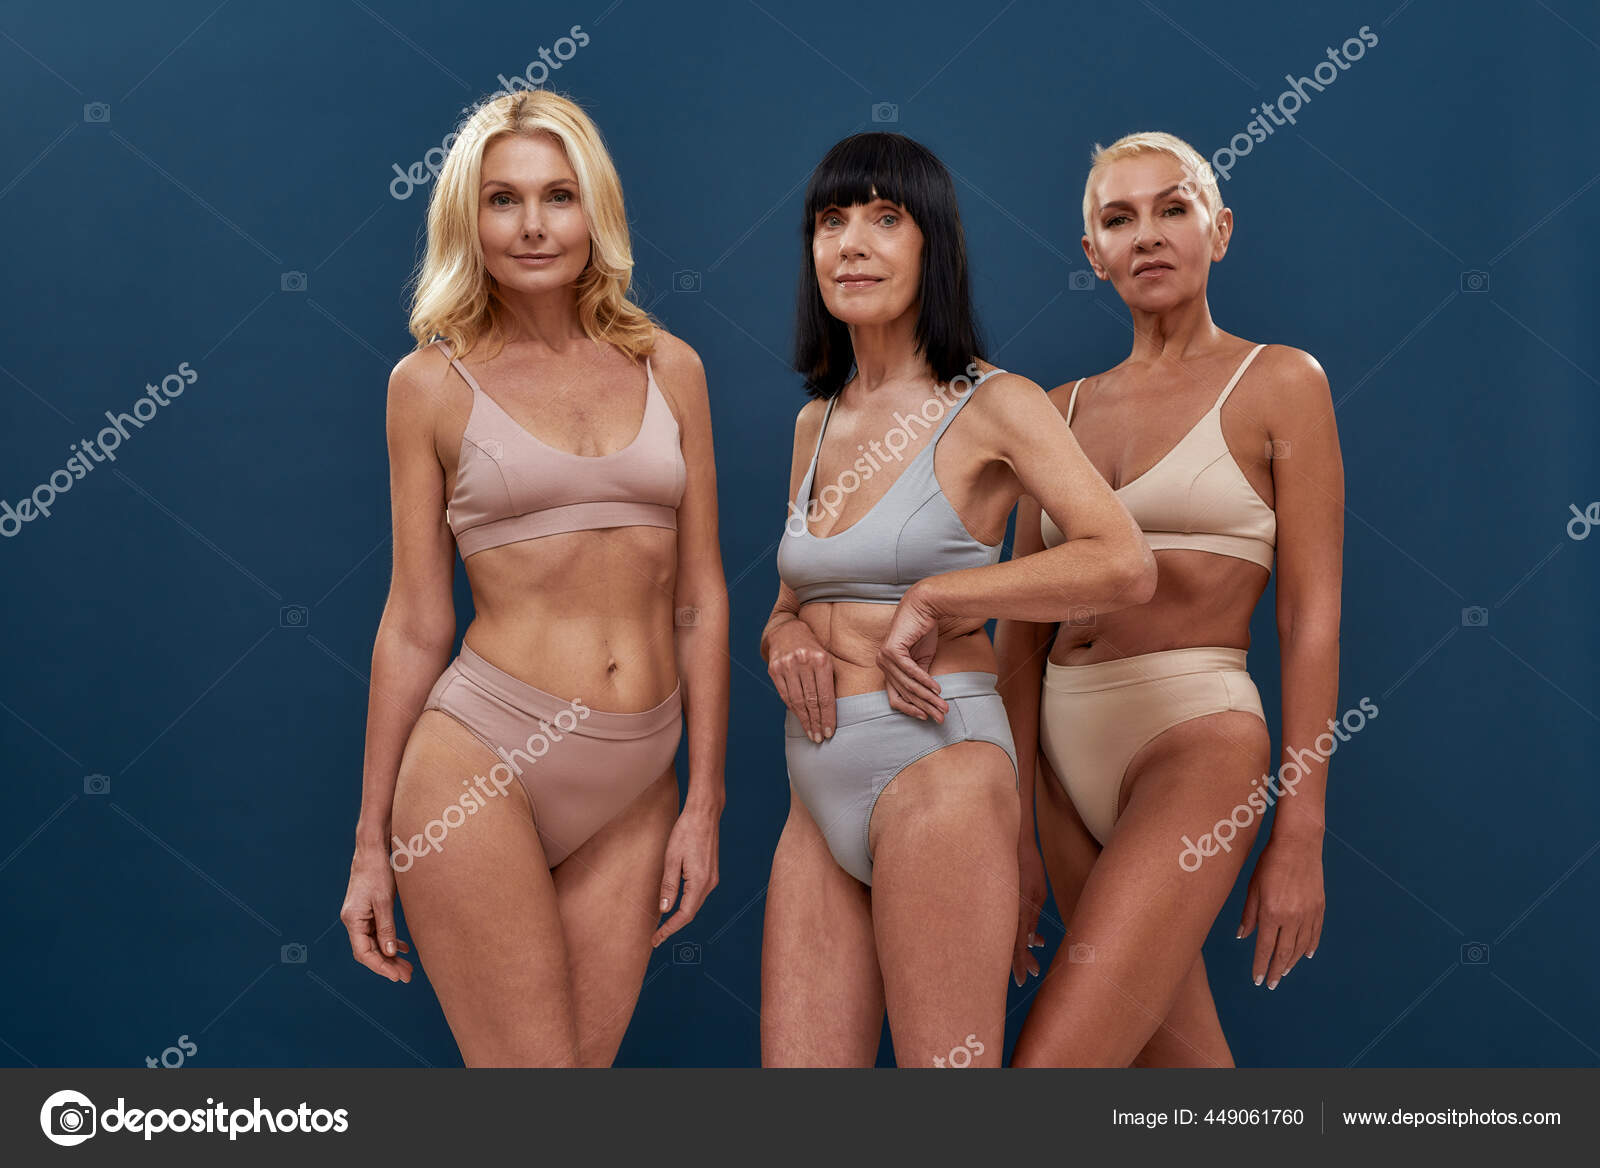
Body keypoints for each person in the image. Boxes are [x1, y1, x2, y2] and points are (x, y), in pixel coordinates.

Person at [339, 91, 728, 1066]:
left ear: (594, 208)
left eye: (558, 195)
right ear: (467, 220)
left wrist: (704, 799)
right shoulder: (428, 385)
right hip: (478, 760)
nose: (532, 224)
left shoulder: (670, 367)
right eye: (502, 199)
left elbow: (701, 597)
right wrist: (368, 842)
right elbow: (415, 622)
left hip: (638, 773)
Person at [759, 132, 1155, 1067]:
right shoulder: (816, 421)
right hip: (814, 789)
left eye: (886, 220)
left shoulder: (993, 404)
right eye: (832, 220)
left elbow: (1124, 563)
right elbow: (790, 598)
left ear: (932, 246)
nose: (852, 244)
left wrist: (941, 595)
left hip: (936, 767)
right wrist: (780, 642)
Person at [999, 131, 1343, 1067]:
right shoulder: (1053, 410)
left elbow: (1309, 619)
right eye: (1119, 218)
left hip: (1195, 743)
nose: (1147, 235)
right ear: (1093, 255)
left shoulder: (1279, 382)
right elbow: (1014, 641)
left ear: (1218, 231)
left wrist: (1299, 829)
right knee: (1178, 1074)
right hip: (1062, 771)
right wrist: (1015, 828)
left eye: (1173, 209)